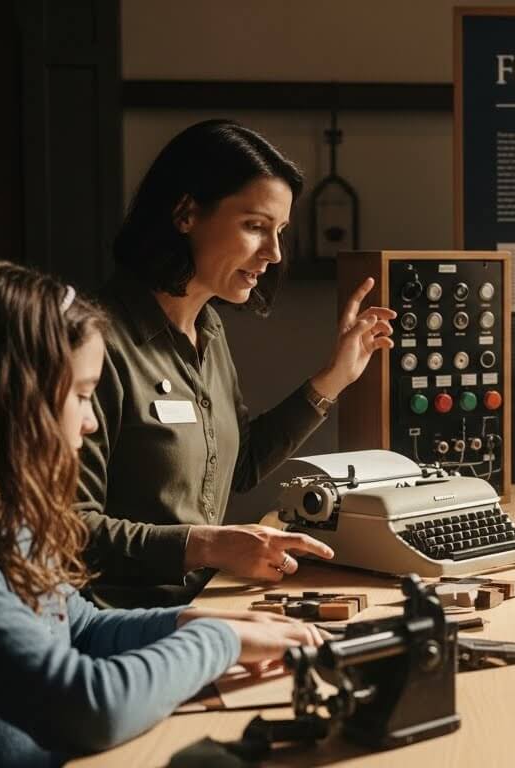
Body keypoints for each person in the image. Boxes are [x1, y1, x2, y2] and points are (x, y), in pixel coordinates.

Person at [0, 262, 322, 766]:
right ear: (14, 402)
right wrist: (216, 640)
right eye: (83, 395)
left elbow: (80, 629)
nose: (89, 423)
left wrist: (196, 620)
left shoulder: (5, 525)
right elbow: (86, 707)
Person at [76, 120, 397, 607]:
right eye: (255, 227)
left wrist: (335, 377)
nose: (273, 253)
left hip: (205, 605)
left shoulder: (209, 330)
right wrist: (212, 545)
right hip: (121, 628)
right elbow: (70, 528)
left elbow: (239, 467)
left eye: (281, 232)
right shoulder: (94, 341)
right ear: (185, 214)